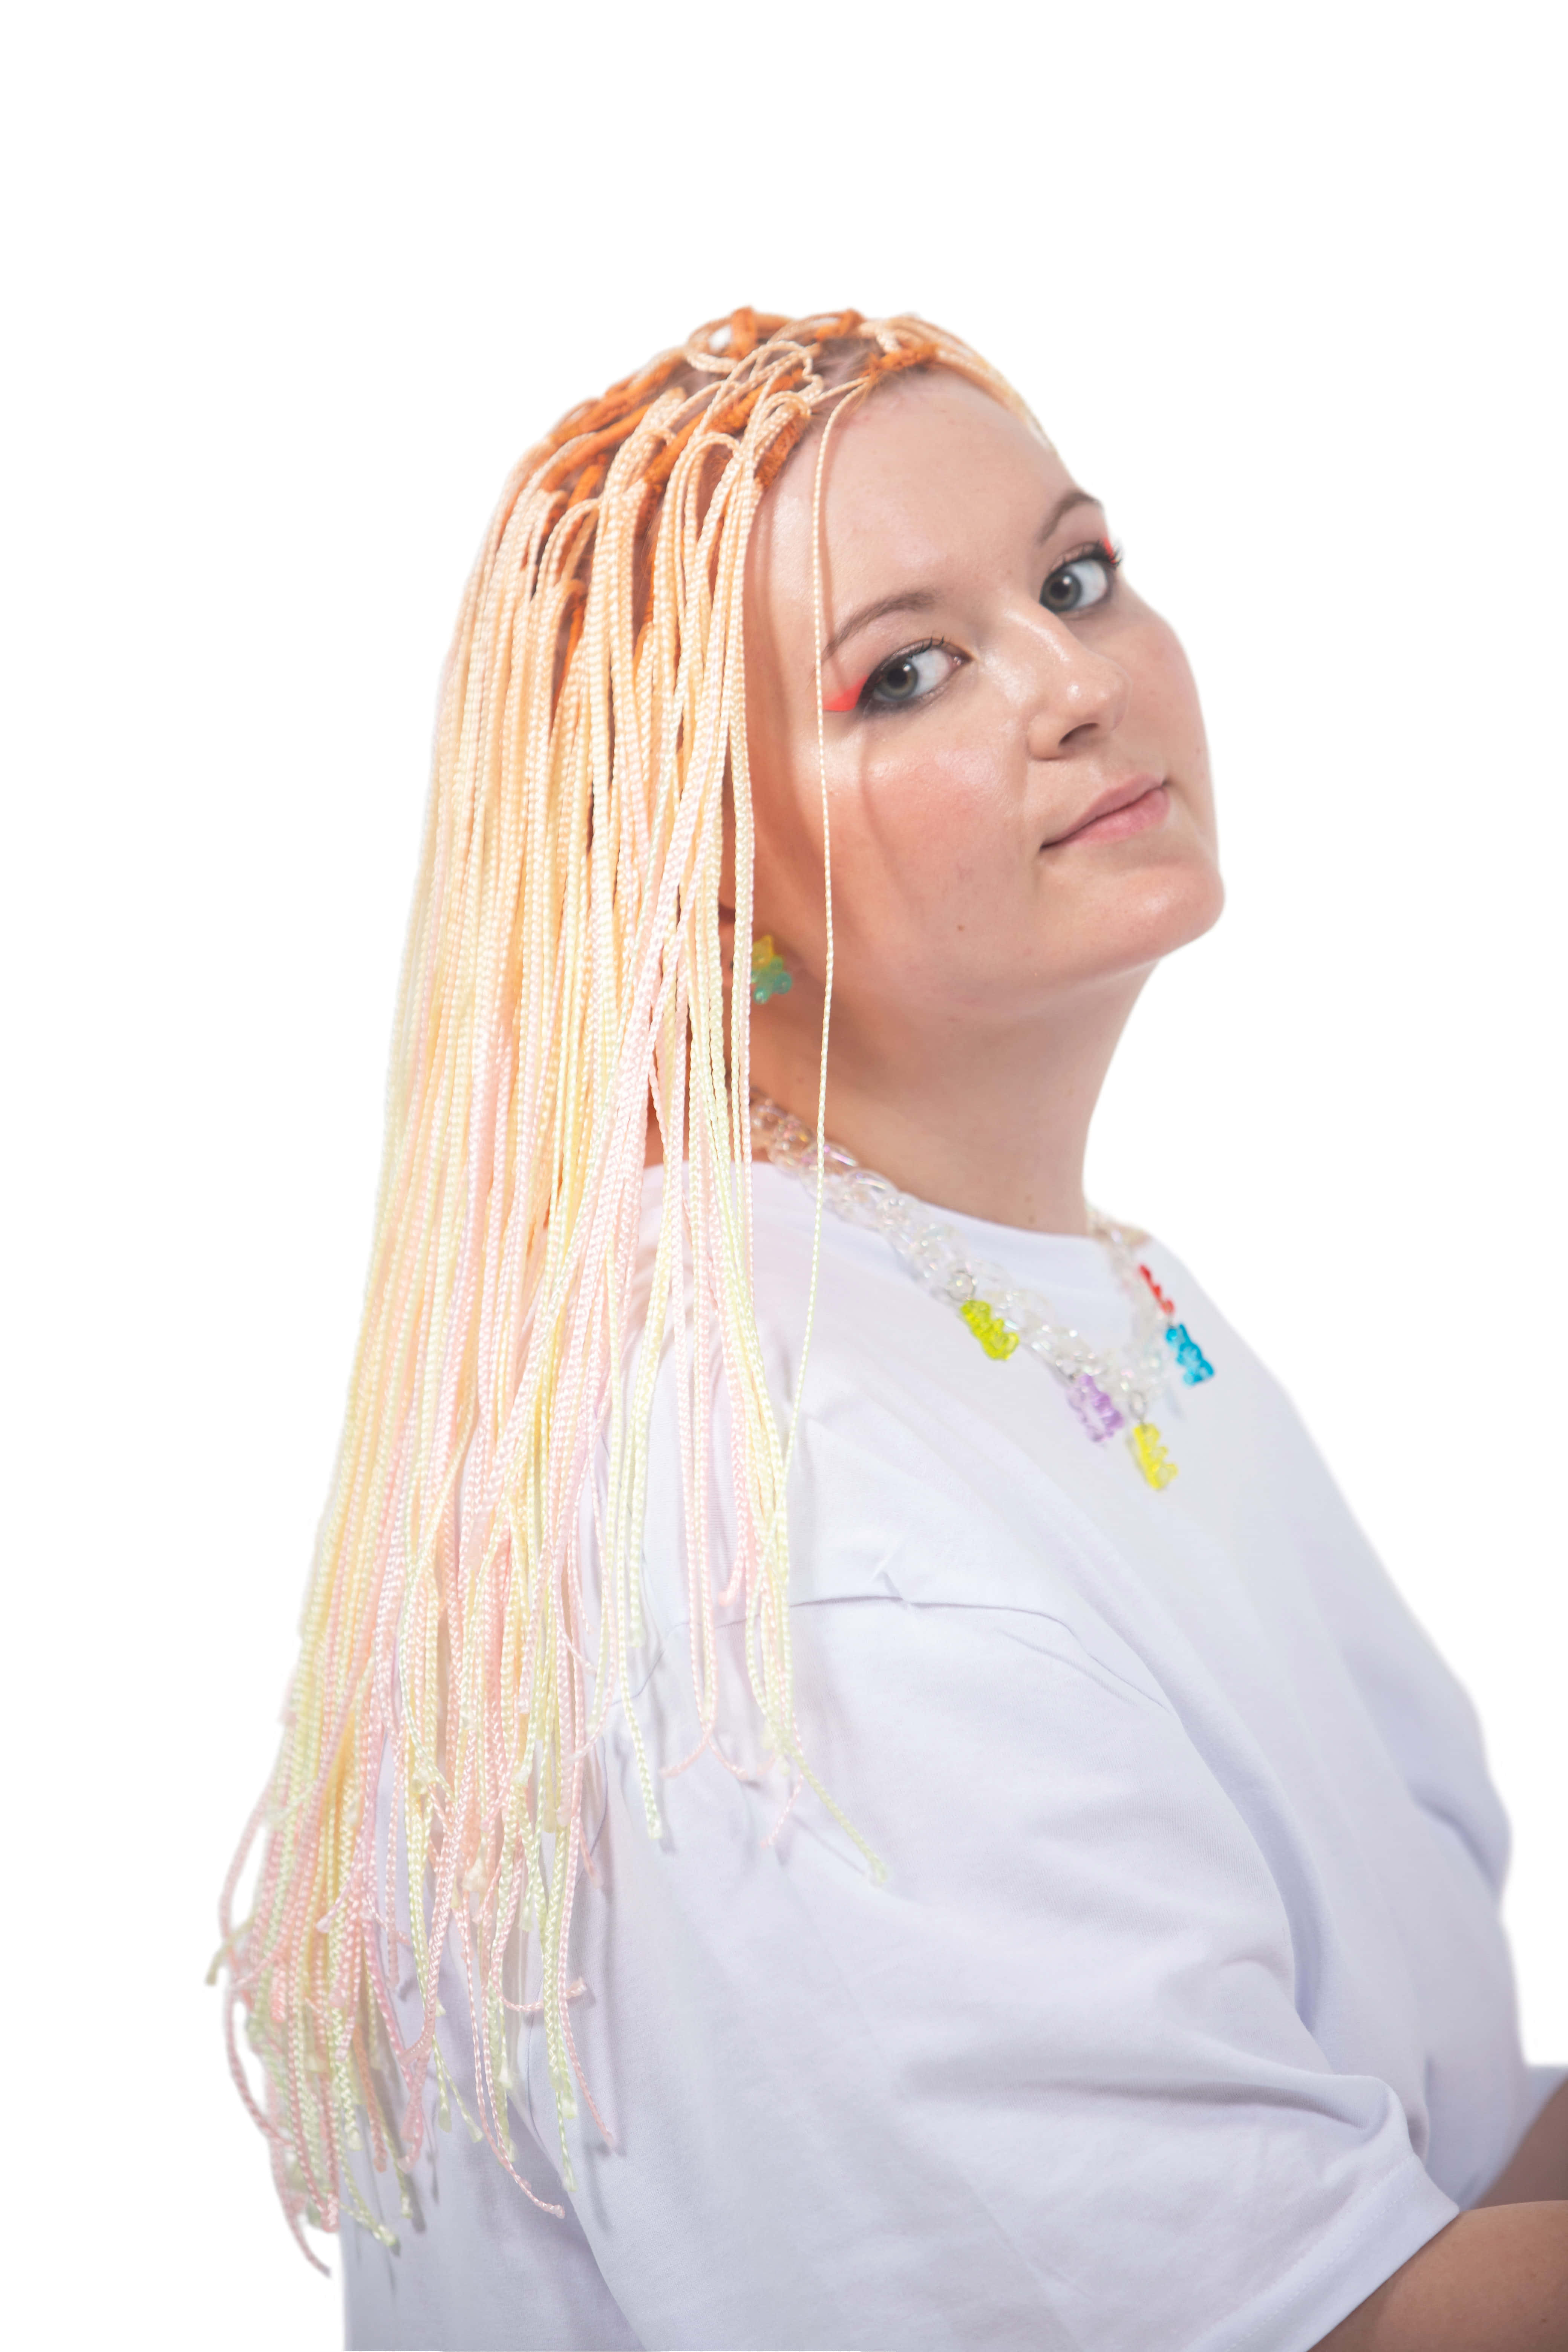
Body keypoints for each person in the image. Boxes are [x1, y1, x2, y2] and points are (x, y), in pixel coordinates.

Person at [219, 310, 1568, 2350]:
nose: (1078, 684)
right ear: (695, 882)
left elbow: (1421, 2147)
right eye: (907, 673)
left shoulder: (1075, 1296)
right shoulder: (787, 1526)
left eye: (1076, 578)